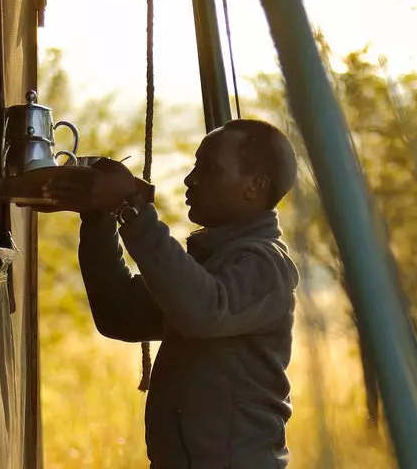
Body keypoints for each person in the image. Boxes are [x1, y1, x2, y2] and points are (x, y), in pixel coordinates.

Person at [42, 119, 301, 469]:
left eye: (208, 169)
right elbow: (119, 314)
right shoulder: (211, 266)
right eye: (195, 166)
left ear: (255, 187)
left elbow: (205, 311)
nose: (190, 179)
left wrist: (130, 209)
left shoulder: (267, 265)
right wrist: (99, 218)